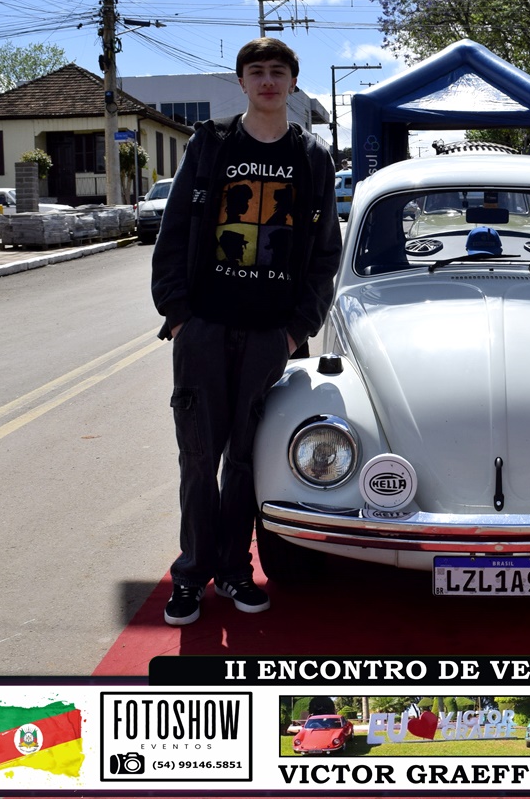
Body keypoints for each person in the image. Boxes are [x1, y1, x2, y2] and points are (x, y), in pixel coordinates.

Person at [151, 37, 342, 626]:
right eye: (256, 71)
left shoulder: (312, 157)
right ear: (241, 82)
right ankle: (191, 575)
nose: (267, 81)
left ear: (292, 82)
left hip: (270, 336)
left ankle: (235, 570)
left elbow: (325, 254)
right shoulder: (212, 144)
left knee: (246, 462)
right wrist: (178, 315)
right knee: (198, 458)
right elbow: (175, 229)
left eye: (277, 72)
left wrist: (295, 332)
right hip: (204, 328)